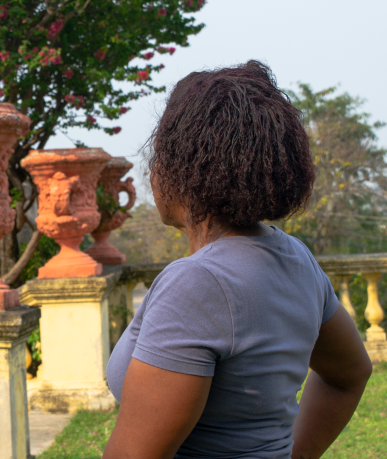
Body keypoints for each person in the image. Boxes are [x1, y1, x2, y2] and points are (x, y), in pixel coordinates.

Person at [103, 61, 372, 459]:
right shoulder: (294, 257)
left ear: (181, 168)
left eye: (158, 154)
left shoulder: (197, 284)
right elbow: (349, 375)